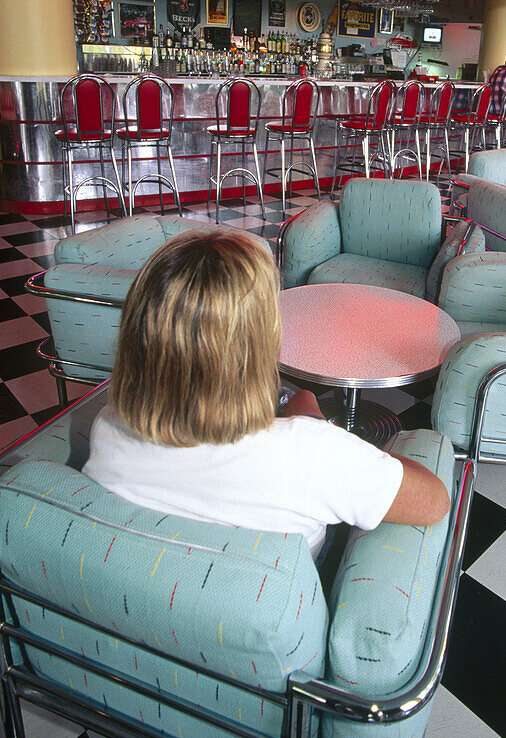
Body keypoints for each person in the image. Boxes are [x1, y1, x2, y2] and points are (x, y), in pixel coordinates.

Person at [84, 230, 449, 567]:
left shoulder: (108, 426)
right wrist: (329, 436)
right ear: (258, 344)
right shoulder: (315, 455)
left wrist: (307, 421)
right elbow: (435, 501)